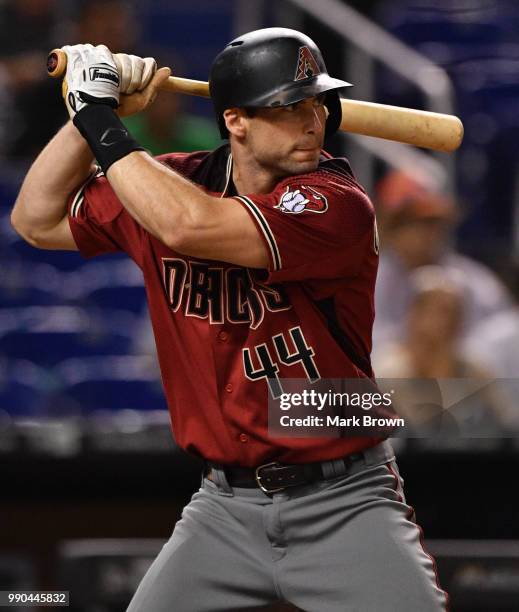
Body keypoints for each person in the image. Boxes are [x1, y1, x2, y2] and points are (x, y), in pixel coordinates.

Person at [11, 29, 448, 611]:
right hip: (222, 507)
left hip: (345, 499)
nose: (312, 121)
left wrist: (100, 119)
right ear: (237, 121)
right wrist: (86, 116)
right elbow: (35, 219)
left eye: (315, 102)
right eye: (288, 107)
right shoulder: (171, 183)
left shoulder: (334, 202)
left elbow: (191, 227)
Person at [372, 170, 511, 359]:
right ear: (390, 227)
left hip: (460, 377)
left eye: (434, 222)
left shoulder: (471, 277)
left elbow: (504, 331)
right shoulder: (370, 278)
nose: (428, 233)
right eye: (415, 223)